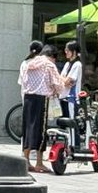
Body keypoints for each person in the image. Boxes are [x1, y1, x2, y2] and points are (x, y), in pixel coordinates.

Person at [20, 43, 65, 173]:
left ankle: (26, 160)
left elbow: (24, 81)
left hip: (28, 98)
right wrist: (59, 87)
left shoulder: (30, 63)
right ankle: (39, 162)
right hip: (41, 99)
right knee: (41, 130)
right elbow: (58, 85)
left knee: (28, 128)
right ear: (52, 56)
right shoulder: (49, 65)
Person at [60, 40, 83, 149]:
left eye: (67, 50)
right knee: (66, 123)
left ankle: (75, 146)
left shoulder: (77, 64)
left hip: (72, 99)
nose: (65, 52)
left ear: (74, 52)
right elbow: (61, 79)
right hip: (64, 97)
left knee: (72, 122)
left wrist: (64, 80)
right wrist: (64, 80)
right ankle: (68, 146)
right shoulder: (67, 64)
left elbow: (68, 82)